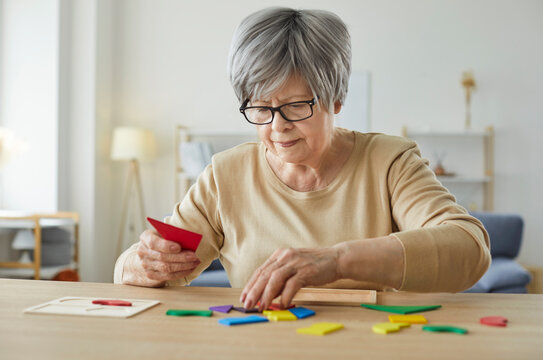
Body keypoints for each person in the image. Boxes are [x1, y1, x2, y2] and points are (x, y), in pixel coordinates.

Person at [114, 7, 491, 311]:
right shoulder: (226, 174)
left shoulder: (389, 162)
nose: (277, 126)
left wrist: (337, 261)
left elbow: (469, 248)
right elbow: (138, 269)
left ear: (336, 98)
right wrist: (140, 264)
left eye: (295, 106)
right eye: (260, 107)